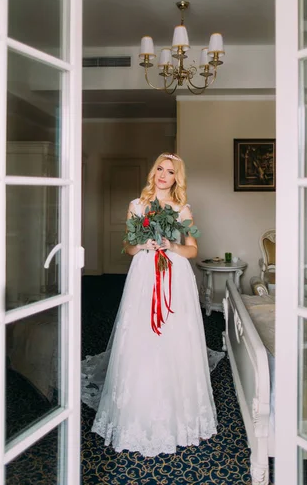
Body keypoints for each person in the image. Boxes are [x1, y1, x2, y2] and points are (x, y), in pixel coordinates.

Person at [82, 152, 222, 457]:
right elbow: (128, 247)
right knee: (141, 337)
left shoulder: (182, 209)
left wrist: (171, 245)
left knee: (175, 339)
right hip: (144, 275)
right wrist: (142, 245)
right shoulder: (137, 205)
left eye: (170, 171)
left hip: (175, 277)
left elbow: (192, 250)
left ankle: (178, 414)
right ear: (153, 172)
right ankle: (137, 410)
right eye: (159, 168)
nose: (163, 175)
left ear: (176, 178)